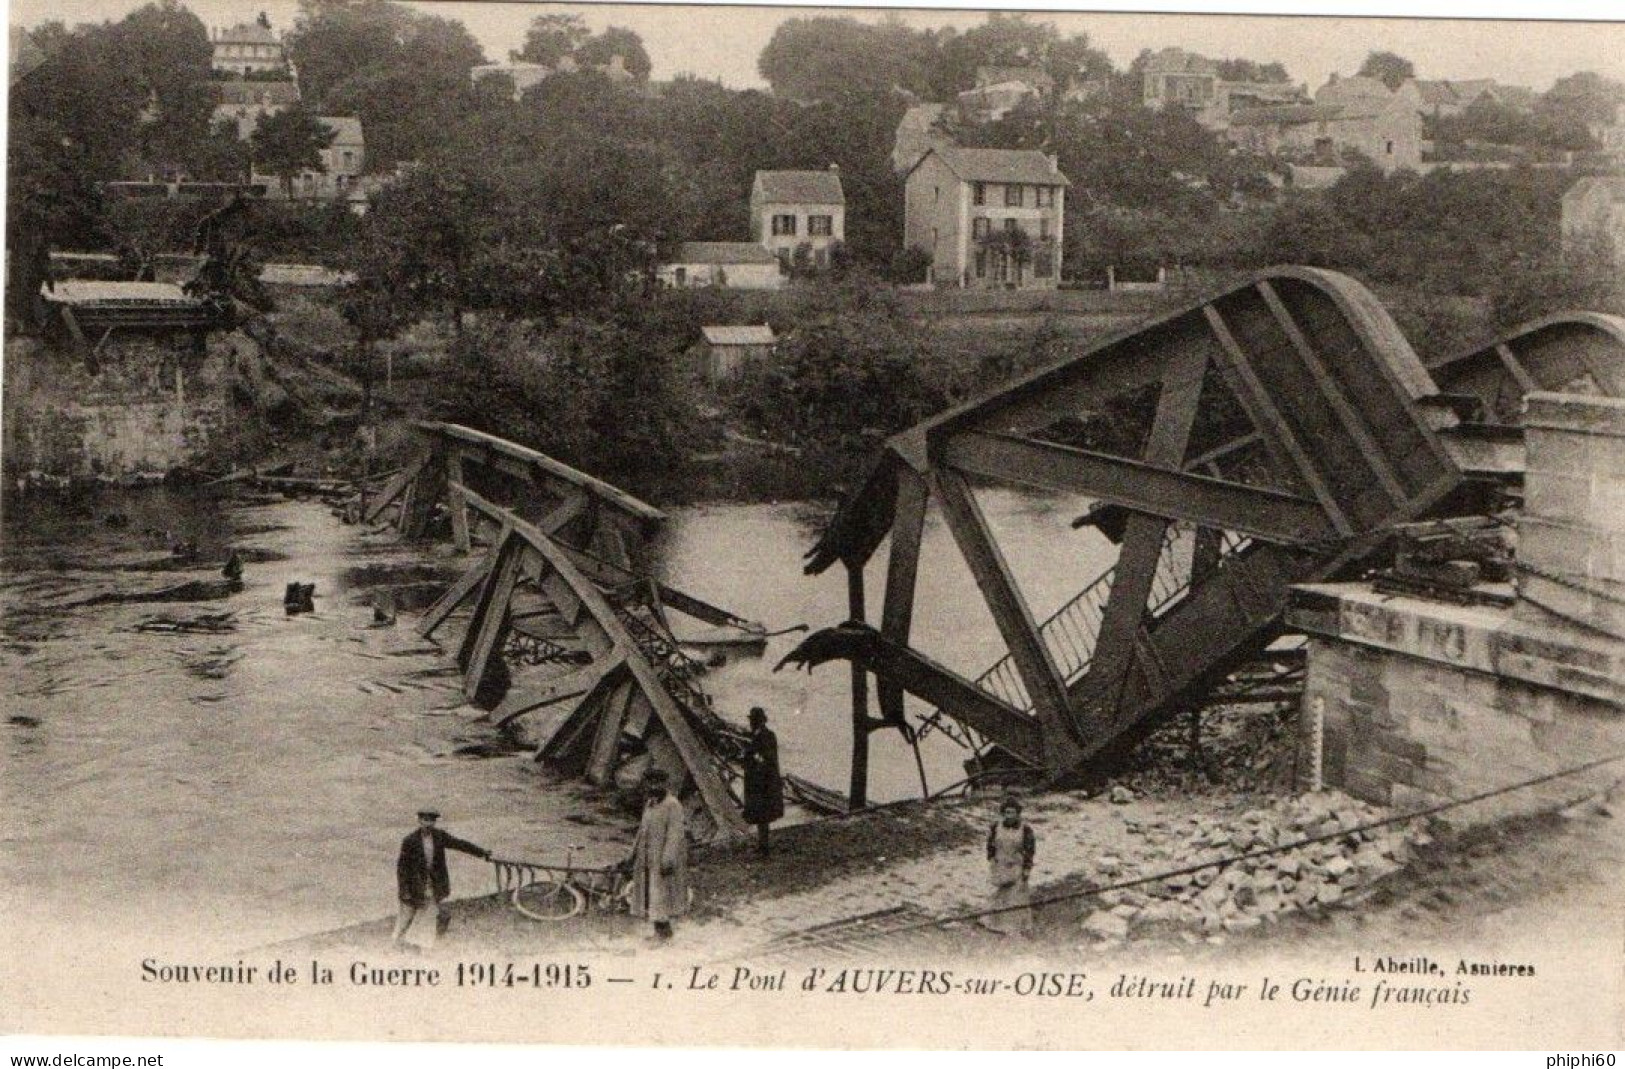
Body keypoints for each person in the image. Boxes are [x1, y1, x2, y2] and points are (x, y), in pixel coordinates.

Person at [392, 809, 491, 950]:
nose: (428, 823)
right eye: (425, 820)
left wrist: (481, 852)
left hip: (432, 883)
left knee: (428, 912)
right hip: (413, 883)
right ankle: (397, 941)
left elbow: (460, 844)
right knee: (407, 914)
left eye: (431, 820)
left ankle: (420, 944)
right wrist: (404, 890)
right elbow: (402, 868)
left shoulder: (439, 836)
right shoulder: (409, 840)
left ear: (434, 822)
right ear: (419, 820)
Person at [626, 769, 689, 941]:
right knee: (650, 895)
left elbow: (675, 834)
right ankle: (660, 931)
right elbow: (642, 830)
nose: (654, 786)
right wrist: (632, 853)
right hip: (647, 856)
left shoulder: (672, 805)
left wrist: (667, 860)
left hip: (661, 857)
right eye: (650, 783)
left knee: (661, 896)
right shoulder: (650, 804)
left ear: (665, 784)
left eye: (657, 783)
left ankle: (664, 934)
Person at [982, 794, 1036, 936]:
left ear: (1018, 814)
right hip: (1000, 863)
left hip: (1016, 865)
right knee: (998, 893)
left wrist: (1026, 869)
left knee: (1016, 895)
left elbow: (1030, 851)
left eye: (1012, 812)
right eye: (1006, 812)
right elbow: (990, 844)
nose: (1009, 815)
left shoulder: (1026, 830)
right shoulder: (996, 827)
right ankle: (994, 923)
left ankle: (1016, 925)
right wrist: (991, 858)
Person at [741, 707, 784, 857]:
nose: (751, 723)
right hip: (760, 781)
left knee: (762, 814)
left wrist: (751, 759)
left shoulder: (765, 736)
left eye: (752, 720)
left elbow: (766, 759)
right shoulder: (762, 735)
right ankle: (762, 844)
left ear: (757, 721)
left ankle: (764, 847)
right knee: (761, 815)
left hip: (763, 783)